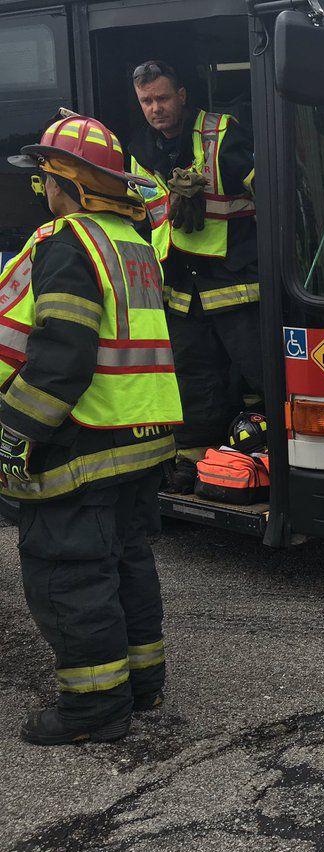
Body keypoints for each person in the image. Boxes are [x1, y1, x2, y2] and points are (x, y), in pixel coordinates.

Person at [3, 114, 182, 745]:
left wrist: (14, 433)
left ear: (64, 182)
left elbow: (63, 354)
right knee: (126, 560)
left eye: (43, 180)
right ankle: (142, 684)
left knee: (69, 573)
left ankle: (93, 708)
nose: (41, 194)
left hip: (84, 438)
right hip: (140, 436)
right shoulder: (131, 241)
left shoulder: (68, 242)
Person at [127, 60, 259, 493]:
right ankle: (192, 461)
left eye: (163, 98)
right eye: (147, 101)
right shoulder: (140, 153)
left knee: (254, 370)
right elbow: (145, 220)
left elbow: (275, 191)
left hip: (233, 280)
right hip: (180, 285)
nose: (156, 108)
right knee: (192, 373)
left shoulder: (223, 132)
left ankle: (264, 450)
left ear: (182, 95)